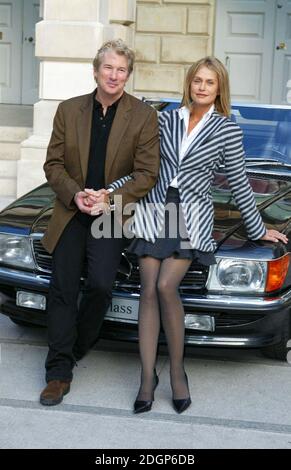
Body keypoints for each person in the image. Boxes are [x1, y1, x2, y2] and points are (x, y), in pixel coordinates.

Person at [117, 56, 288, 414]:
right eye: (197, 80)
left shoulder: (226, 129)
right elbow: (141, 169)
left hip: (192, 216)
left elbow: (240, 182)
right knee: (147, 290)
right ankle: (148, 378)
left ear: (219, 88)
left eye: (210, 82)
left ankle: (177, 371)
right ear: (189, 83)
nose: (202, 87)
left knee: (167, 287)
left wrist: (259, 229)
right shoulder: (165, 119)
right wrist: (107, 194)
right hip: (154, 210)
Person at [39, 39, 160, 406]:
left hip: (110, 214)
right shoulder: (68, 110)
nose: (114, 75)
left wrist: (110, 199)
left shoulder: (142, 115)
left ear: (128, 75)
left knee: (101, 285)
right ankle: (58, 373)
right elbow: (53, 165)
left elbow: (146, 174)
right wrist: (76, 194)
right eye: (108, 67)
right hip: (73, 209)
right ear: (95, 71)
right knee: (61, 287)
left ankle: (78, 344)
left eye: (121, 70)